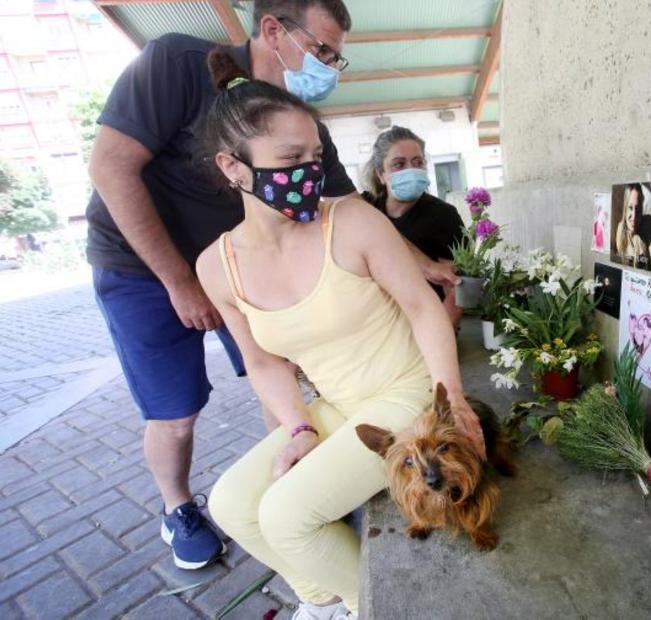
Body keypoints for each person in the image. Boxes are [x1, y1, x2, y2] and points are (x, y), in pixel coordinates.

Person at [84, 0, 399, 570]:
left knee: (277, 372)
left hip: (236, 268)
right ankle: (178, 508)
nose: (327, 66)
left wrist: (418, 263)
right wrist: (180, 282)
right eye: (322, 50)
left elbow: (348, 203)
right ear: (273, 30)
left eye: (336, 58)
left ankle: (293, 479)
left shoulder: (300, 124)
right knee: (175, 415)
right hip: (141, 266)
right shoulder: (174, 63)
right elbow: (110, 166)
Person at [195, 50, 484, 620]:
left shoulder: (351, 221)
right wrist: (299, 428)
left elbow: (423, 310)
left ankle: (373, 607)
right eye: (291, 157)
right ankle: (326, 600)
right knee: (232, 505)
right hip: (337, 403)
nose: (310, 170)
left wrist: (450, 399)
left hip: (408, 394)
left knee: (287, 515)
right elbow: (263, 363)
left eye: (316, 156)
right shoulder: (216, 265)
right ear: (234, 167)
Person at [360, 126, 465, 329]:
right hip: (375, 327)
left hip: (424, 326)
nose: (410, 170)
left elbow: (457, 289)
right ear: (381, 174)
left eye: (417, 162)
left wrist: (440, 334)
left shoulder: (444, 215)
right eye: (399, 164)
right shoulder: (366, 208)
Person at [614, 183, 651, 271]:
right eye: (630, 208)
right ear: (625, 208)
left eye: (637, 209)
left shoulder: (647, 223)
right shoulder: (621, 228)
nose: (634, 216)